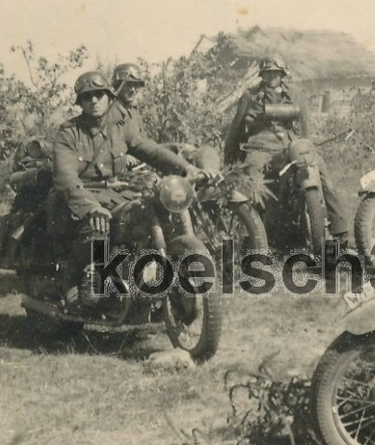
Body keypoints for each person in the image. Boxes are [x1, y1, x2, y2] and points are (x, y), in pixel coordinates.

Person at [48, 71, 206, 305]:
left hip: (114, 192)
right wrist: (90, 207)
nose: (94, 100)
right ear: (80, 102)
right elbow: (66, 178)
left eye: (99, 95)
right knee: (99, 228)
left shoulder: (120, 128)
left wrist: (185, 168)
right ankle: (90, 277)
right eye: (88, 96)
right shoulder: (69, 132)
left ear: (109, 98)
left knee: (153, 212)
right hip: (78, 200)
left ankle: (142, 276)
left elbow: (150, 149)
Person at [222, 56, 352, 248]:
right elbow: (236, 127)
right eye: (268, 72)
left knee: (320, 171)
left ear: (282, 74)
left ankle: (340, 229)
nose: (272, 76)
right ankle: (250, 236)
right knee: (251, 181)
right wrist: (230, 157)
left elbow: (304, 127)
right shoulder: (250, 95)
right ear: (262, 74)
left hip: (290, 145)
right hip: (260, 145)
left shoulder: (296, 94)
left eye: (276, 72)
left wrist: (308, 149)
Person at [110, 61, 147, 129]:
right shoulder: (110, 112)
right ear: (118, 85)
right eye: (128, 84)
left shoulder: (134, 112)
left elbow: (141, 137)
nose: (133, 89)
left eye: (136, 85)